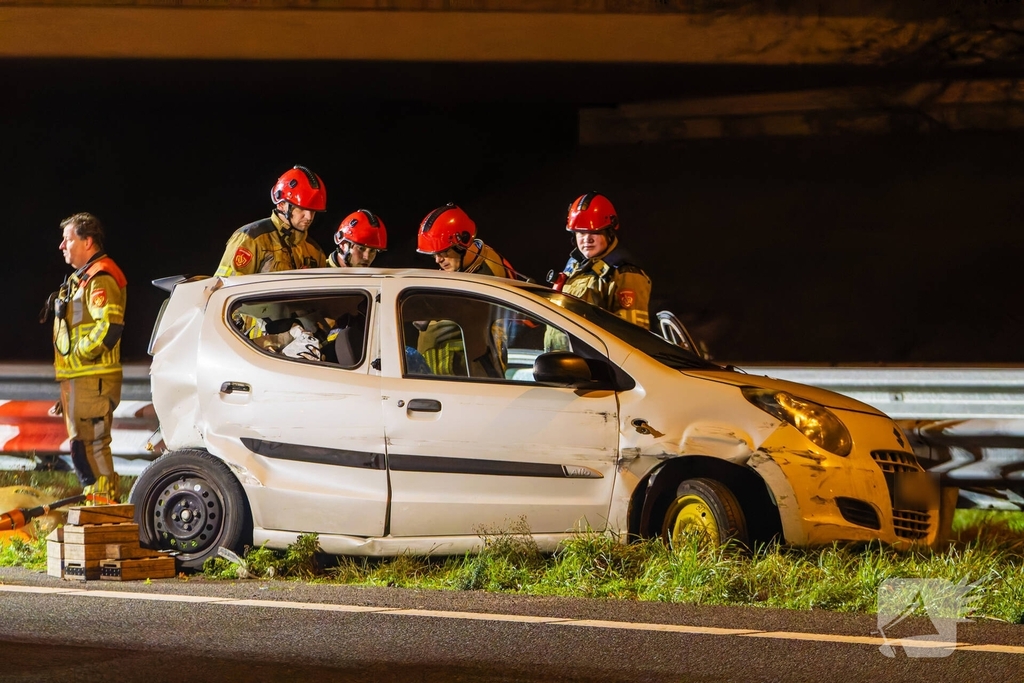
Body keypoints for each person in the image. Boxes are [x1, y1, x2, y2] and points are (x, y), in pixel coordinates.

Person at [46, 212, 127, 505]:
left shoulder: (101, 276)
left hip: (93, 378)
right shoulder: (81, 278)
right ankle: (96, 504)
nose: (62, 245)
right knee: (82, 448)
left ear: (88, 241)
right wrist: (69, 387)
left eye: (68, 239)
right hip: (81, 380)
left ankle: (104, 508)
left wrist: (80, 356)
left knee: (93, 446)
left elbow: (110, 327)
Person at [550, 192, 651, 330]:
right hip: (562, 351)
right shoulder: (575, 265)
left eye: (595, 232)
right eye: (581, 232)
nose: (587, 239)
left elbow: (632, 336)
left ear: (609, 232)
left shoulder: (625, 274)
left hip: (587, 352)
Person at [215, 165, 327, 276]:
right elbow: (226, 287)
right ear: (281, 205)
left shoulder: (315, 251)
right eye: (302, 209)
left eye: (313, 211)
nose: (309, 217)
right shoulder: (251, 239)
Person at [416, 203, 517, 278]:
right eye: (434, 254)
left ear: (463, 244)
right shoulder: (480, 252)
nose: (438, 260)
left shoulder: (485, 282)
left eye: (444, 252)